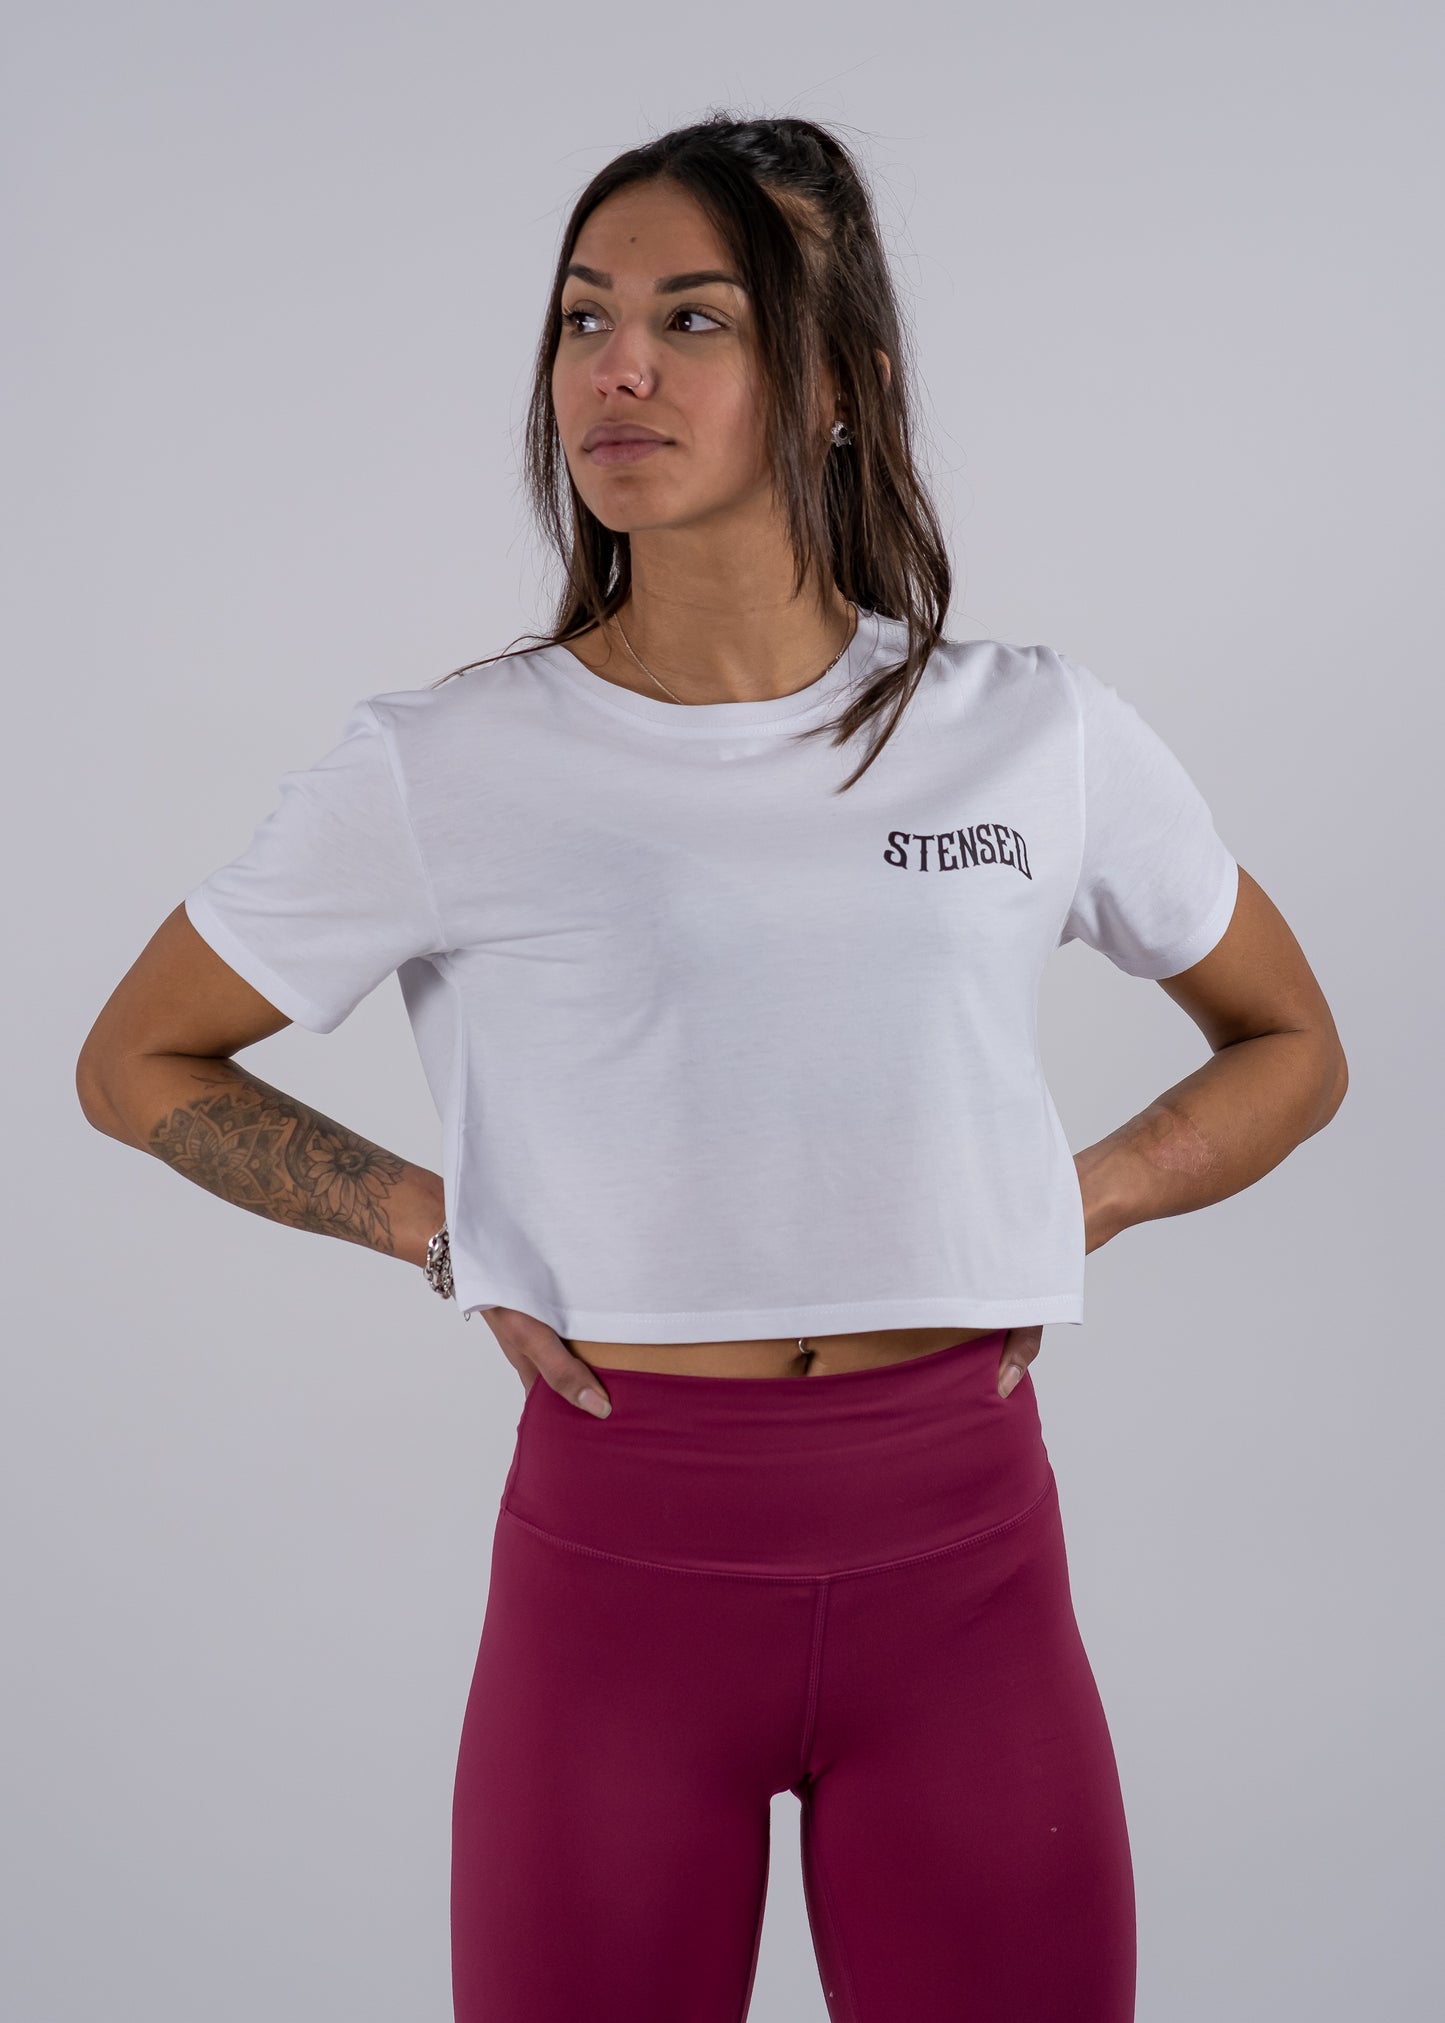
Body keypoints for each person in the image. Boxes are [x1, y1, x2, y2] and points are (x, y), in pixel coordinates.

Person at [76, 114, 1347, 2023]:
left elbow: (1291, 1042)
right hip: (618, 1566)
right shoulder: (446, 763)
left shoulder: (1033, 732)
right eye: (582, 317)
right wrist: (438, 1225)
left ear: (837, 383)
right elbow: (134, 1059)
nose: (617, 367)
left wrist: (1072, 1199)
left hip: (965, 1561)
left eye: (694, 317)